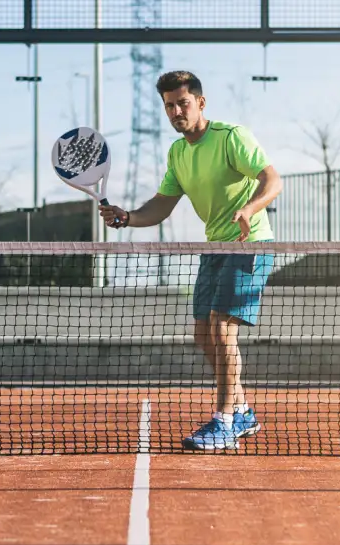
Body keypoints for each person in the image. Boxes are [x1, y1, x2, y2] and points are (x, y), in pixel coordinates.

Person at [101, 70, 283, 451]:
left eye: (183, 103)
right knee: (204, 336)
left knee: (221, 330)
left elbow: (272, 179)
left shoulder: (231, 137)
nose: (176, 111)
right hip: (215, 247)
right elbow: (162, 204)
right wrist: (129, 216)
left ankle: (225, 421)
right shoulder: (178, 152)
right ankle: (243, 410)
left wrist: (250, 208)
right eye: (169, 106)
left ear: (200, 103)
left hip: (250, 244)